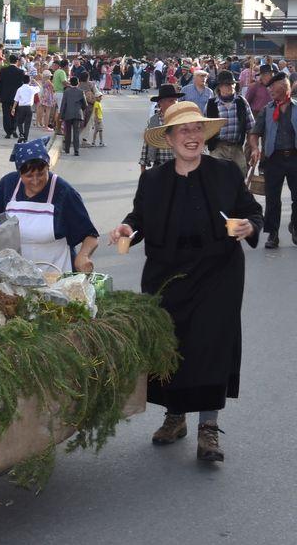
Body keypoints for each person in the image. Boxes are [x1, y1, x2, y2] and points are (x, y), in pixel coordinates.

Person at [110, 101, 263, 463]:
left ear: (204, 135)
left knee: (212, 346)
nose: (191, 137)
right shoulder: (153, 180)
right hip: (168, 276)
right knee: (171, 346)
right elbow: (139, 218)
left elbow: (252, 210)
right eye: (183, 130)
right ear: (169, 138)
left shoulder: (225, 172)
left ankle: (208, 428)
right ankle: (175, 416)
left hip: (218, 273)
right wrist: (128, 229)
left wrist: (250, 225)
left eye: (197, 129)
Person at [0, 136, 98, 273]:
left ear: (48, 167)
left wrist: (83, 256)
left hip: (55, 273)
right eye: (29, 176)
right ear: (20, 174)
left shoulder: (63, 192)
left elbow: (90, 235)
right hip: (14, 274)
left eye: (41, 174)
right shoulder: (8, 184)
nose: (35, 181)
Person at [248, 71, 297, 249]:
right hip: (273, 159)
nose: (271, 93)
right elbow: (255, 133)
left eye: (274, 90)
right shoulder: (267, 110)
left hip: (294, 157)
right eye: (270, 90)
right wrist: (254, 148)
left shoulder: (296, 107)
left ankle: (295, 226)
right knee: (273, 199)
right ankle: (273, 234)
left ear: (285, 88)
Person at [205, 70, 256, 175]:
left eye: (232, 84)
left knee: (241, 176)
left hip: (236, 147)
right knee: (216, 178)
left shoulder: (241, 102)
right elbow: (204, 129)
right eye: (227, 84)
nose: (231, 86)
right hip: (218, 148)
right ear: (219, 87)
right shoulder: (211, 104)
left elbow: (251, 127)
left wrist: (254, 148)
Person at [140, 84, 183, 172]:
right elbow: (147, 143)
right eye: (171, 101)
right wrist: (143, 167)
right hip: (160, 167)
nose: (175, 103)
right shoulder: (154, 121)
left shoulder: (182, 119)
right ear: (160, 102)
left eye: (176, 100)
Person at [0, 54, 25, 139]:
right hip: (16, 97)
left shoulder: (3, 70)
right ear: (17, 61)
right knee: (15, 113)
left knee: (6, 114)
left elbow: (0, 83)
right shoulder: (20, 72)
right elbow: (21, 85)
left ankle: (8, 131)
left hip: (5, 95)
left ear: (9, 61)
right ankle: (14, 129)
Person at [58, 76, 87, 156]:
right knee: (76, 132)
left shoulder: (66, 92)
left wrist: (61, 116)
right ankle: (76, 150)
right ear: (78, 83)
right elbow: (85, 105)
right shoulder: (81, 92)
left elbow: (63, 104)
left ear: (70, 83)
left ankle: (67, 149)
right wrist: (80, 108)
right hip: (77, 114)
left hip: (68, 113)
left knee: (68, 132)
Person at [12, 73, 38, 142]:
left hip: (21, 108)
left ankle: (21, 134)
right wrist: (35, 81)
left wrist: (13, 108)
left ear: (22, 81)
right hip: (29, 108)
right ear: (29, 81)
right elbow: (39, 88)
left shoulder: (19, 89)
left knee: (19, 122)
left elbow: (16, 100)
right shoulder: (32, 88)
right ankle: (25, 138)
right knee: (27, 124)